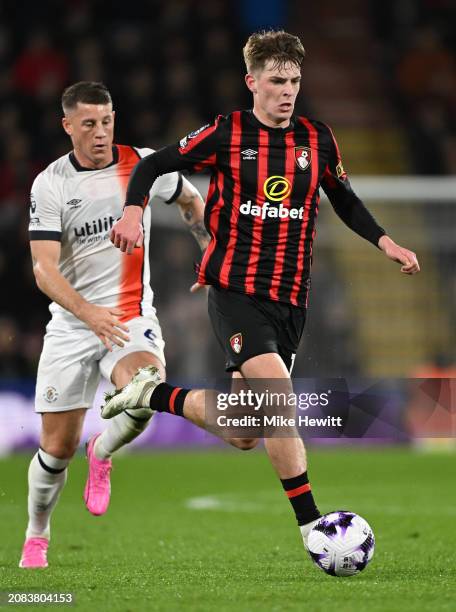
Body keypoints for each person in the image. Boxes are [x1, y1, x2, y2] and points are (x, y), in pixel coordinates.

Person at [105, 30, 420, 556]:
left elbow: (344, 198)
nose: (287, 91)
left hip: (291, 300)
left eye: (294, 80)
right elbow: (154, 164)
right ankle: (313, 527)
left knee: (247, 430)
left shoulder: (318, 139)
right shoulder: (227, 132)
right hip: (235, 292)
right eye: (276, 81)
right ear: (252, 83)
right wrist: (135, 209)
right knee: (279, 405)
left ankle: (152, 394)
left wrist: (384, 241)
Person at [20, 81, 209, 569]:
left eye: (106, 121)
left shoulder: (142, 165)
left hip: (128, 317)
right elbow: (43, 269)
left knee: (147, 390)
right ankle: (36, 536)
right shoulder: (51, 184)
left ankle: (101, 451)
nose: (101, 133)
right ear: (68, 126)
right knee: (55, 449)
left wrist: (208, 248)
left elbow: (189, 198)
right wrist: (87, 314)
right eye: (88, 124)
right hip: (71, 324)